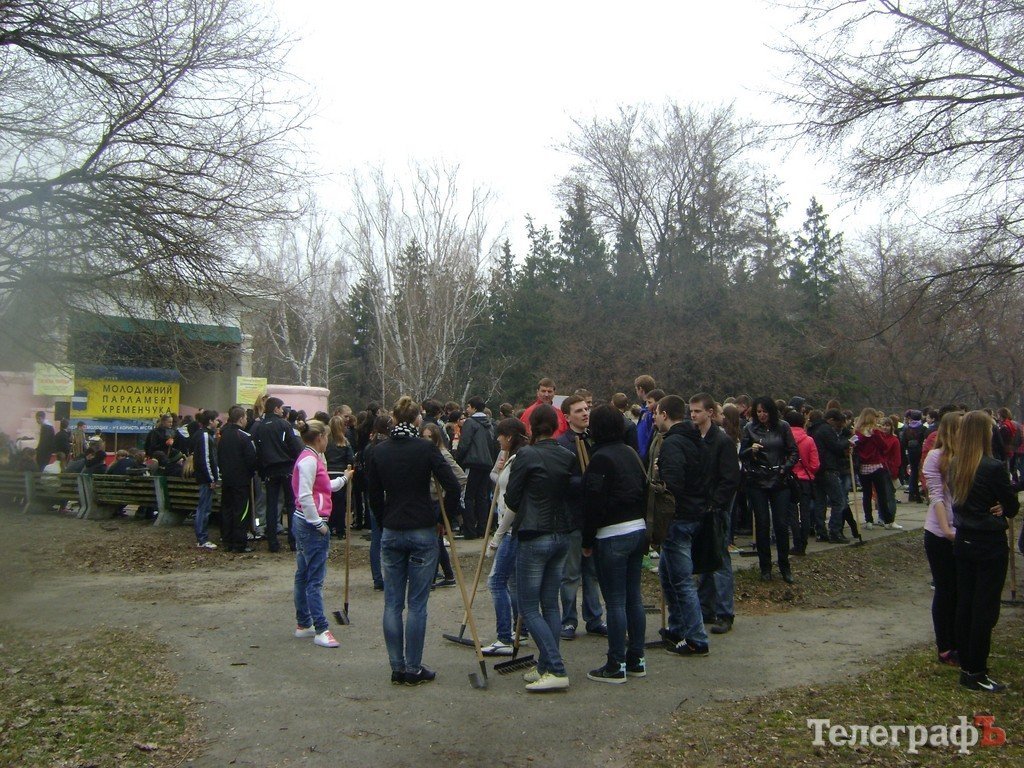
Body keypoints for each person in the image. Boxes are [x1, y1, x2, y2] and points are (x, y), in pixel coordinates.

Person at [366, 396, 461, 686]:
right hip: (421, 528)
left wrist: (384, 521)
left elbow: (372, 496)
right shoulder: (426, 449)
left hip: (393, 528)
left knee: (393, 603)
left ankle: (398, 667)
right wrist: (443, 519)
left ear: (394, 419)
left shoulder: (378, 452)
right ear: (417, 420)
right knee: (417, 604)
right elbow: (454, 485)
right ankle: (413, 667)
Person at [505, 403, 575, 691]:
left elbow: (512, 496)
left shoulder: (527, 454)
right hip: (561, 533)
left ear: (532, 427)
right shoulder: (568, 455)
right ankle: (546, 665)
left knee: (528, 607)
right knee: (549, 604)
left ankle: (556, 667)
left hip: (535, 534)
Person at [949, 410, 1019, 692]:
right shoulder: (992, 467)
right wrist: (1004, 507)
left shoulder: (956, 464)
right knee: (984, 608)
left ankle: (967, 663)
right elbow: (1013, 506)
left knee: (966, 602)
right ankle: (976, 670)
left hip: (964, 539)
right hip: (988, 543)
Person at [580, 404, 648, 683]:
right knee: (634, 598)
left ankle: (615, 663)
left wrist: (586, 539)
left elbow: (592, 504)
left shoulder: (600, 459)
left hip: (612, 534)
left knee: (616, 601)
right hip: (637, 529)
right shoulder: (631, 454)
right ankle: (637, 658)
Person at [655, 394, 712, 655]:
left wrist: (659, 476)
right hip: (694, 511)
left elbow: (673, 485)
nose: (654, 418)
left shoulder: (673, 443)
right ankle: (677, 627)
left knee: (681, 580)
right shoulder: (696, 440)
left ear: (664, 414)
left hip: (679, 517)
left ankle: (696, 638)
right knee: (667, 575)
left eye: (656, 413)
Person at [291, 419, 353, 649]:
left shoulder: (312, 459)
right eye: (326, 437)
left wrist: (345, 478)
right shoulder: (309, 461)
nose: (328, 440)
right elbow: (306, 496)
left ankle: (304, 623)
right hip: (311, 524)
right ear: (319, 438)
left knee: (303, 574)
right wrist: (317, 523)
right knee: (314, 580)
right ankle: (320, 627)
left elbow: (326, 485)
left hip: (305, 521)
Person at [556, 395, 606, 640]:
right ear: (567, 416)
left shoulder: (596, 440)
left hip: (595, 515)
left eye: (587, 409)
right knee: (571, 572)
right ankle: (568, 620)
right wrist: (586, 483)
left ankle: (594, 618)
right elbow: (561, 480)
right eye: (579, 410)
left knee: (593, 572)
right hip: (573, 515)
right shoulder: (562, 444)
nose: (585, 413)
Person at [693, 394, 741, 635]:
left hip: (717, 508)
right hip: (699, 506)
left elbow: (730, 477)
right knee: (704, 560)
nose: (693, 415)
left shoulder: (722, 442)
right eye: (691, 411)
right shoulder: (694, 439)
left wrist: (716, 503)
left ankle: (725, 612)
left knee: (720, 560)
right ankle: (705, 607)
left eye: (698, 411)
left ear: (710, 412)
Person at [483, 418, 529, 656]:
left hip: (511, 530)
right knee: (512, 581)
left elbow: (513, 501)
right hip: (509, 526)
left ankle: (504, 636)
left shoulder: (518, 460)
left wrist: (497, 537)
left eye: (500, 435)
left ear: (509, 436)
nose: (497, 439)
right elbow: (497, 481)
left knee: (496, 582)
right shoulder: (510, 457)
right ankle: (520, 629)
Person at [740, 397, 799, 583]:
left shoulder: (783, 427)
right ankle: (765, 566)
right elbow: (742, 454)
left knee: (781, 524)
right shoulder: (749, 428)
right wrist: (752, 450)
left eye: (765, 411)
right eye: (758, 412)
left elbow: (794, 451)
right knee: (762, 523)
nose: (762, 415)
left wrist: (785, 468)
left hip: (779, 478)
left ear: (771, 411)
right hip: (758, 479)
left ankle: (784, 565)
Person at [921, 411, 962, 667]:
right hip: (938, 532)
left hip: (964, 530)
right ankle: (945, 647)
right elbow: (935, 495)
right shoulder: (935, 457)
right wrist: (946, 528)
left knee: (961, 590)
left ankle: (960, 642)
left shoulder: (970, 458)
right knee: (946, 590)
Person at [253, 397, 303, 552]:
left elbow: (257, 451)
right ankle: (293, 540)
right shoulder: (284, 425)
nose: (283, 411)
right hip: (287, 468)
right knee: (291, 504)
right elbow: (294, 446)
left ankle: (272, 541)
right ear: (276, 409)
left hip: (269, 470)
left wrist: (262, 469)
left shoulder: (259, 427)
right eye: (281, 408)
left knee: (271, 505)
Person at [420, 421, 466, 588]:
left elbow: (461, 477)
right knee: (436, 540)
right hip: (427, 501)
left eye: (430, 437)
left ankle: (433, 577)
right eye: (423, 437)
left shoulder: (442, 454)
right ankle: (447, 574)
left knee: (434, 540)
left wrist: (444, 490)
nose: (426, 440)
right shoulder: (422, 454)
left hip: (436, 501)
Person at [218, 405, 258, 553]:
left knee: (227, 509)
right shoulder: (243, 436)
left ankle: (227, 539)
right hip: (241, 480)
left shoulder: (223, 435)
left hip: (227, 478)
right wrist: (251, 472)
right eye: (246, 418)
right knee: (241, 510)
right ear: (241, 419)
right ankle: (240, 542)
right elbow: (251, 459)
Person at [454, 395, 495, 540]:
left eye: (468, 407)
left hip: (472, 462)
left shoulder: (470, 423)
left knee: (467, 497)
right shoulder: (489, 424)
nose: (466, 410)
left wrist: (457, 459)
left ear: (473, 407)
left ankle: (469, 529)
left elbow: (464, 444)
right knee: (482, 497)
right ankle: (483, 529)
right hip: (487, 464)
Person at [854, 408, 898, 529]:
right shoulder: (876, 432)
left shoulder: (858, 432)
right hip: (876, 465)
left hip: (863, 466)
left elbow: (854, 446)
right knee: (881, 494)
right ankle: (888, 520)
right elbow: (883, 446)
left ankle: (868, 520)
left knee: (866, 494)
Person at [783, 410, 820, 556]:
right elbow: (815, 464)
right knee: (805, 512)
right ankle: (803, 543)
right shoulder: (809, 440)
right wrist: (809, 471)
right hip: (805, 479)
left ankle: (796, 542)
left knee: (792, 513)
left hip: (790, 479)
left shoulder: (784, 438)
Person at [192, 409, 219, 550]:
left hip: (204, 477)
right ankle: (202, 538)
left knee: (204, 507)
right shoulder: (204, 436)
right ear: (210, 421)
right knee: (204, 508)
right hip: (205, 478)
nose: (217, 422)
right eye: (215, 420)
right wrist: (211, 478)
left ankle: (201, 537)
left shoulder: (203, 435)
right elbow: (206, 459)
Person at [325, 416, 356, 539]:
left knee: (329, 501)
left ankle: (329, 525)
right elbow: (350, 459)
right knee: (340, 503)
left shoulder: (326, 441)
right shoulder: (344, 442)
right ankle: (340, 529)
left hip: (328, 473)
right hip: (341, 473)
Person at [634, 375, 657, 459]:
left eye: (636, 390)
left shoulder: (650, 413)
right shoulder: (644, 410)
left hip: (645, 458)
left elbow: (647, 437)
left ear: (641, 389)